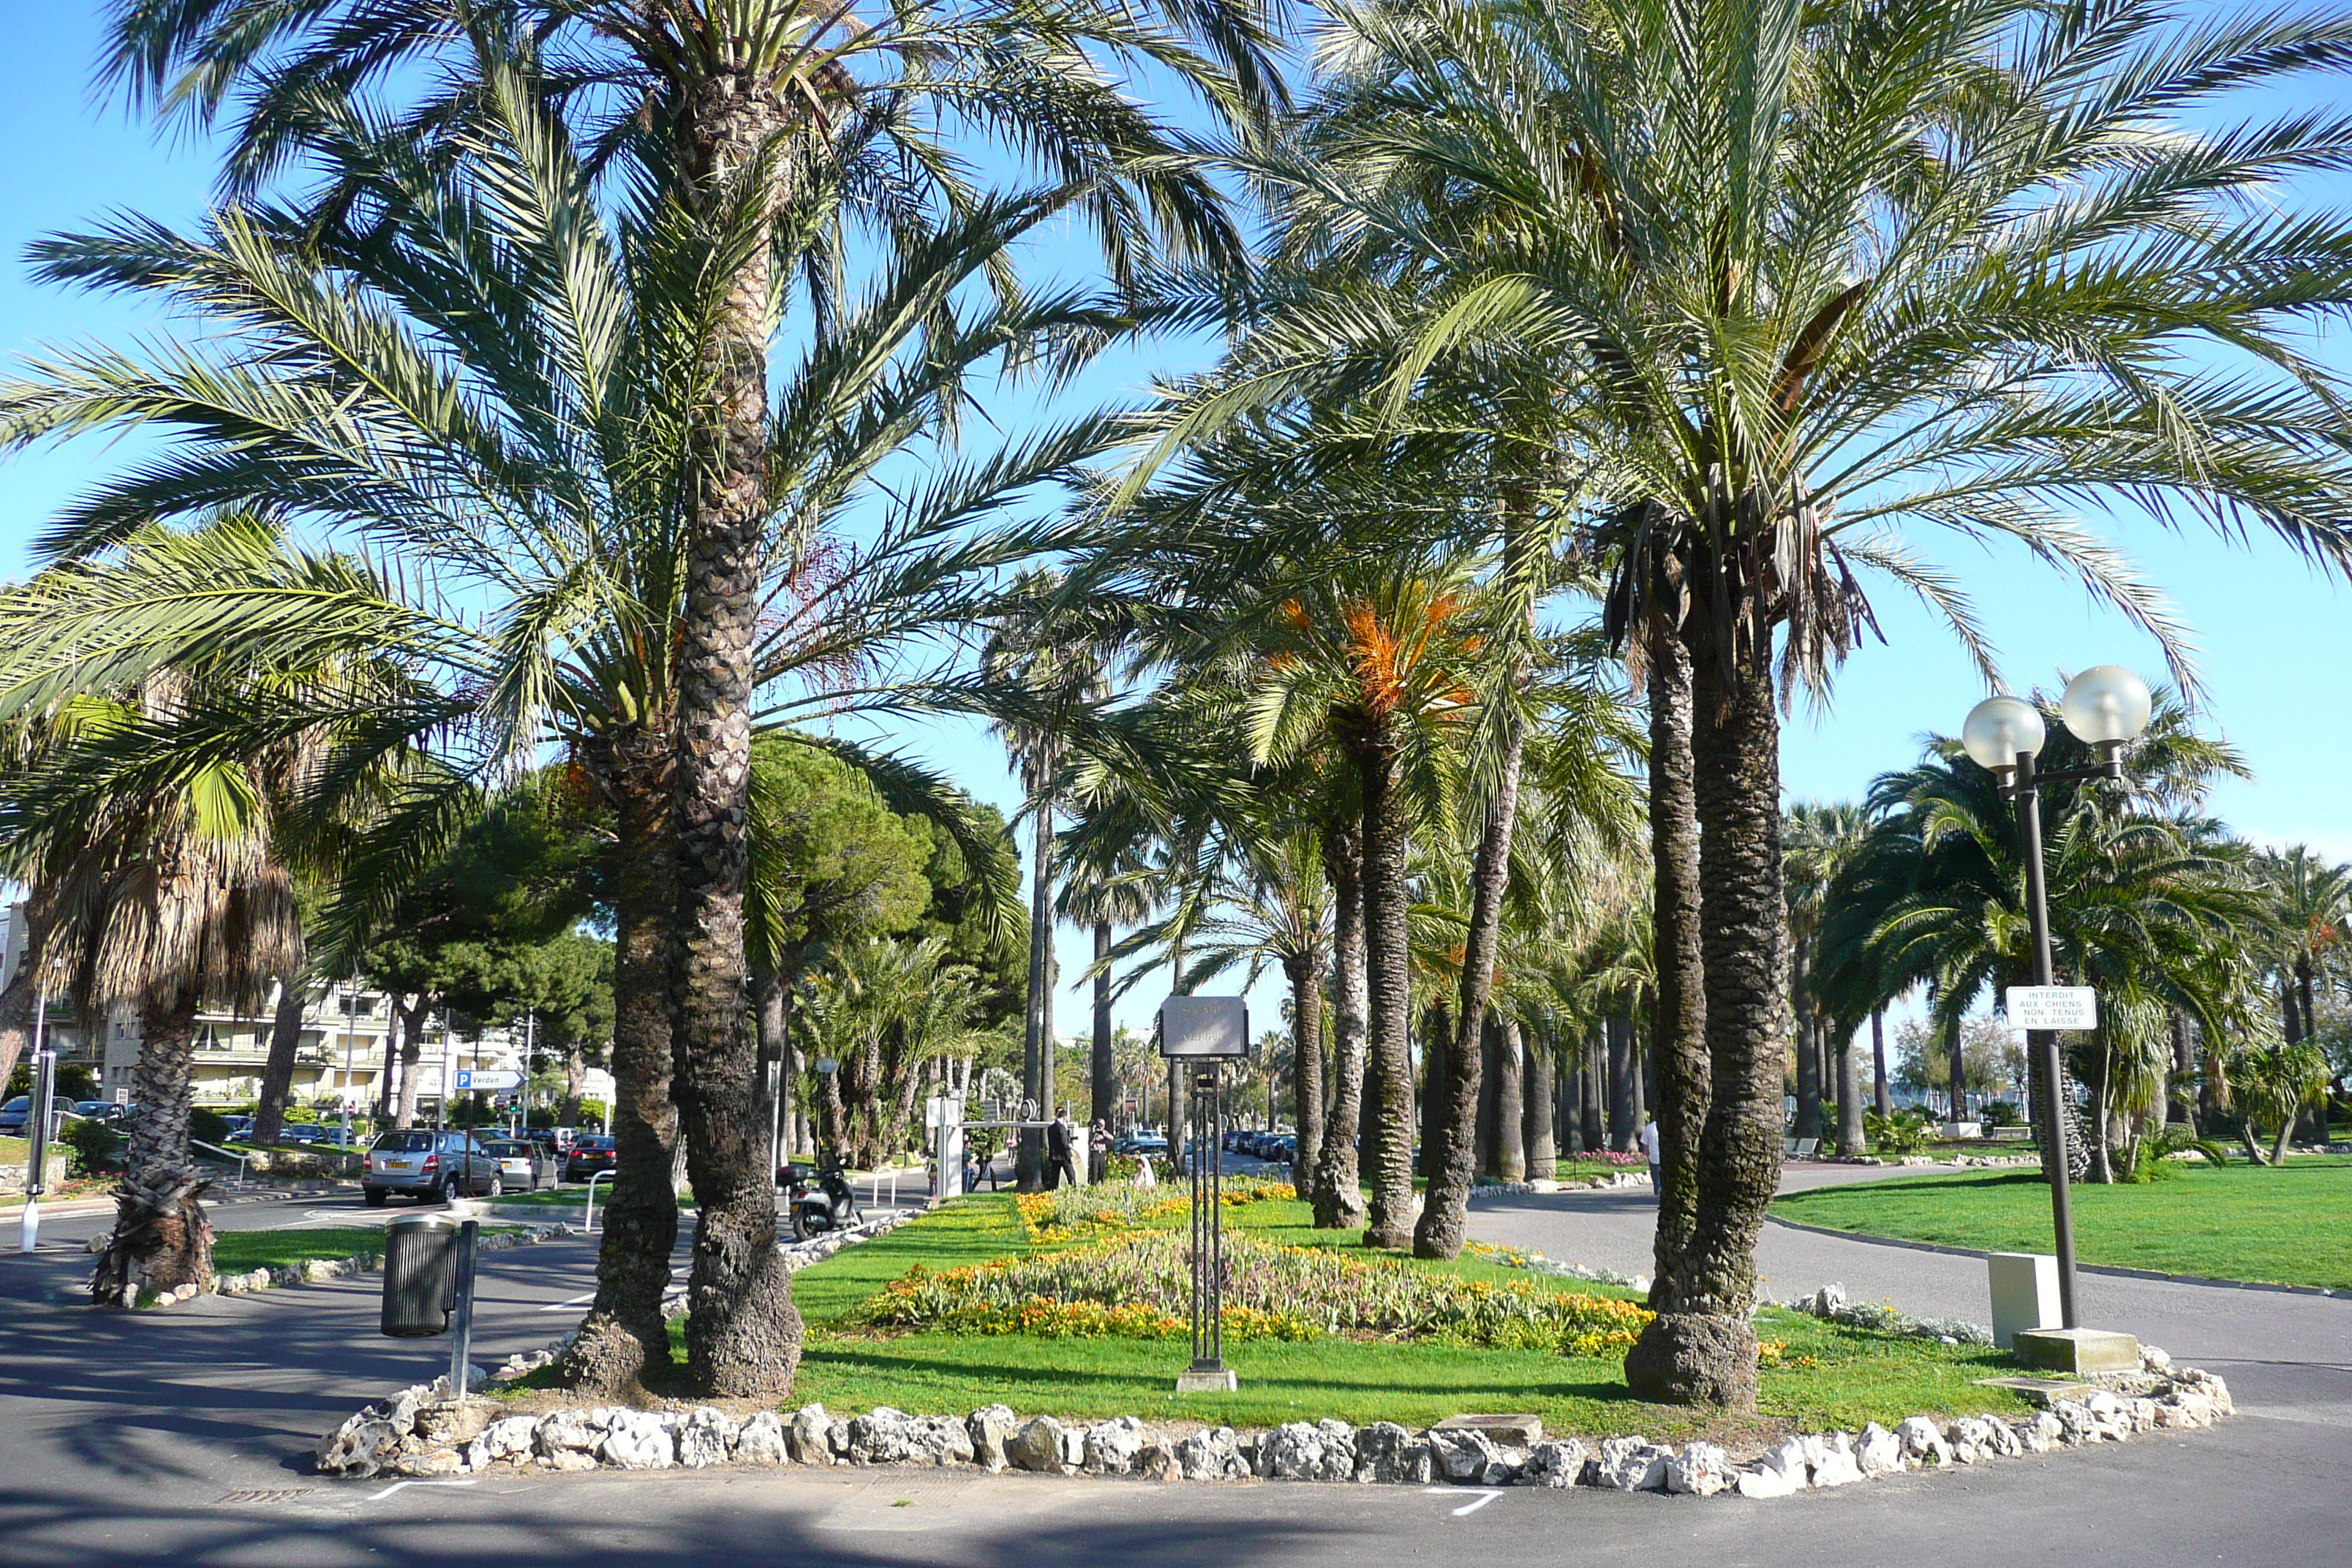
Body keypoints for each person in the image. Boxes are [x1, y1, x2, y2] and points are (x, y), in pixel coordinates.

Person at [1045, 1109, 1078, 1190]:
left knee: (1054, 1178)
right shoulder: (1062, 1128)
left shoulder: (1051, 1128)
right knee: (1071, 1175)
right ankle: (1074, 1191)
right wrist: (1070, 1156)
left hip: (1054, 1156)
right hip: (1064, 1157)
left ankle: (1053, 1192)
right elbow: (1064, 1143)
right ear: (1064, 1118)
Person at [1640, 1115, 1662, 1197]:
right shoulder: (1668, 1127)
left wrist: (1646, 1154)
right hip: (1664, 1156)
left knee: (1656, 1177)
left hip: (1654, 1157)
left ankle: (1657, 1193)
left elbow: (1645, 1143)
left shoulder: (1649, 1128)